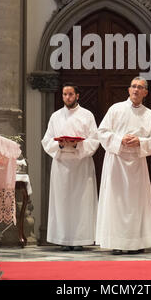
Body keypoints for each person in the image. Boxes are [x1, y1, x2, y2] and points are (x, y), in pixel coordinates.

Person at [96, 76, 151, 254]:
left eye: (140, 87)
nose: (136, 90)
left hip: (137, 164)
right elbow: (101, 132)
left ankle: (136, 243)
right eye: (133, 86)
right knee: (116, 202)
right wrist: (119, 139)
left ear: (145, 92)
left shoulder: (149, 115)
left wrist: (139, 141)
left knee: (136, 204)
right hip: (116, 162)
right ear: (128, 90)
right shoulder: (115, 109)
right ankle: (117, 243)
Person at [42, 83, 99, 251]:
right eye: (65, 94)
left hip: (81, 164)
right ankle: (63, 239)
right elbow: (46, 140)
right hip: (61, 164)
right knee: (62, 202)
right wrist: (60, 145)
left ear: (77, 96)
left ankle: (80, 239)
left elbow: (94, 139)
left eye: (70, 94)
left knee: (81, 201)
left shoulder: (87, 115)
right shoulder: (55, 116)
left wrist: (76, 145)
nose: (67, 97)